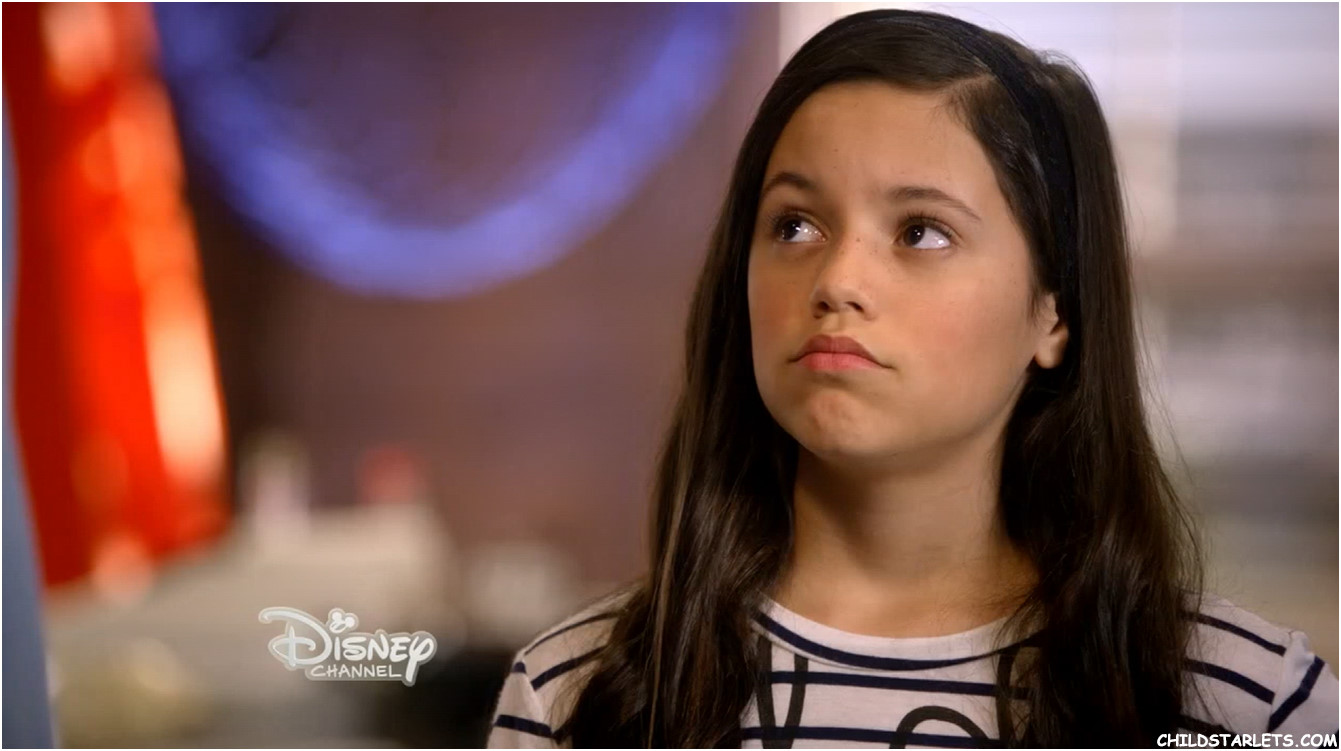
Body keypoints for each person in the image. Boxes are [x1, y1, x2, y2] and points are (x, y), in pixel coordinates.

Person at [487, 9, 1339, 748]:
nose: (837, 280)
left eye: (920, 231)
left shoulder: (1244, 700)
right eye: (793, 224)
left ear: (1053, 312)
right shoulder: (578, 692)